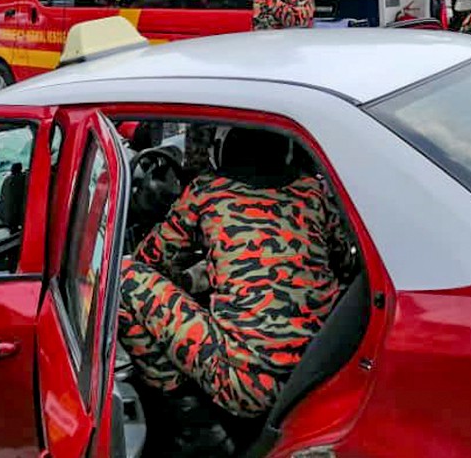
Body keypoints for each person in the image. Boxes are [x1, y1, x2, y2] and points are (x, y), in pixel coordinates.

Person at [117, 127, 341, 432]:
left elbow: (150, 259)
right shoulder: (312, 192)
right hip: (315, 377)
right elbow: (341, 258)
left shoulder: (207, 190)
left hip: (243, 385)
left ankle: (185, 414)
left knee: (125, 278)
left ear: (223, 151)